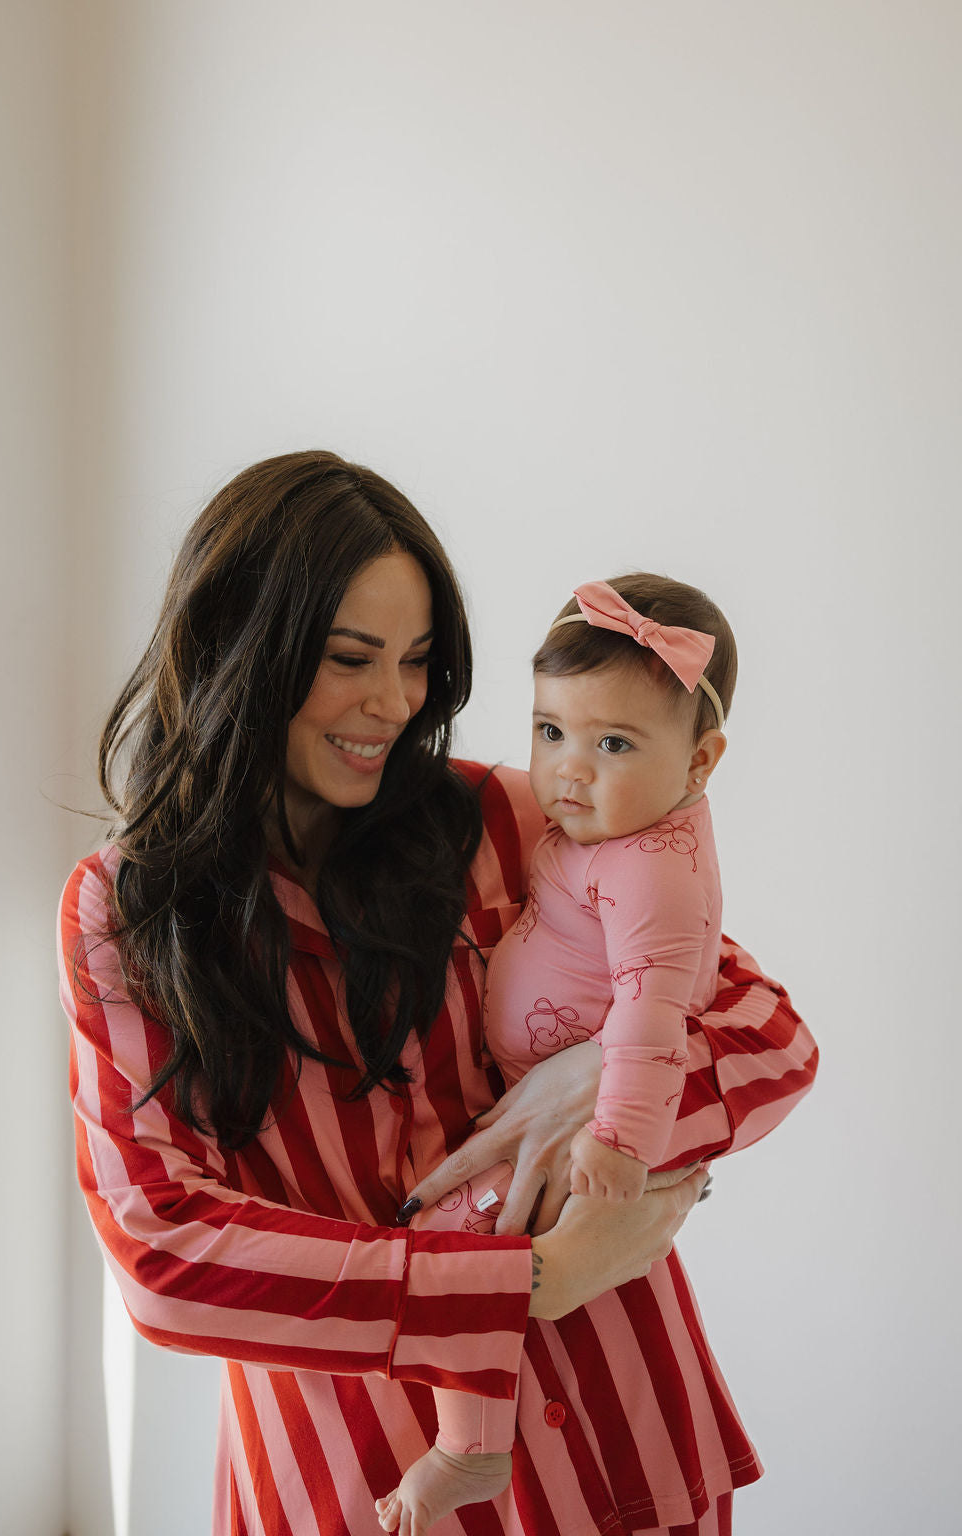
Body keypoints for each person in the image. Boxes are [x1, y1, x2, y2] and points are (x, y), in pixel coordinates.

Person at [58, 451, 817, 1536]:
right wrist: (513, 1282)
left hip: (622, 1447)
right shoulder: (122, 914)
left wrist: (594, 1085)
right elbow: (162, 1253)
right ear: (240, 647)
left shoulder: (508, 820)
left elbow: (769, 1036)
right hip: (363, 1488)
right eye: (348, 658)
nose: (393, 703)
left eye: (417, 661)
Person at [377, 574, 745, 1535]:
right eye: (551, 732)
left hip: (590, 1144)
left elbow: (657, 1015)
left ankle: (468, 1445)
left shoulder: (654, 872)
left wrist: (618, 1143)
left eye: (613, 744)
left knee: (445, 1250)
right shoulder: (614, 825)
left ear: (700, 761)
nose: (568, 771)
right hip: (558, 1107)